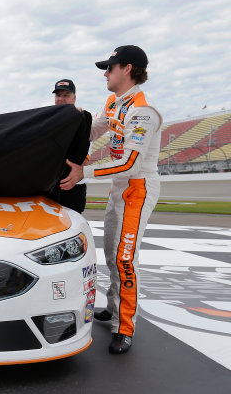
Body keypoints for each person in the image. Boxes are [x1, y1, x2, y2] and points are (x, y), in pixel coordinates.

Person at [60, 45, 162, 354]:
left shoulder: (143, 112)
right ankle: (113, 307)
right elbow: (91, 132)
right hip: (119, 188)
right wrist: (70, 117)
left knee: (124, 258)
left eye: (110, 67)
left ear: (127, 69)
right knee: (111, 254)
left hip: (137, 189)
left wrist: (83, 173)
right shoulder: (114, 103)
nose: (105, 73)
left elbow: (130, 163)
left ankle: (124, 327)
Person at [52, 79, 88, 213]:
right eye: (58, 95)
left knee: (71, 226)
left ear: (74, 98)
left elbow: (83, 160)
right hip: (51, 186)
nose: (61, 99)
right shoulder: (48, 121)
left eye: (66, 95)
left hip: (72, 187)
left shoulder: (83, 121)